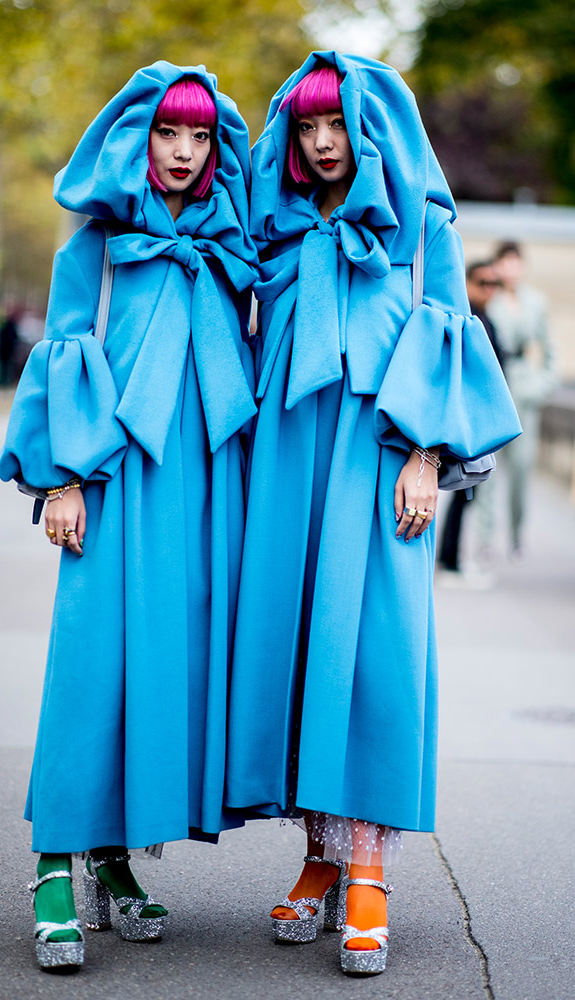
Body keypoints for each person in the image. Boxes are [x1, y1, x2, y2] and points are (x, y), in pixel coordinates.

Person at [225, 52, 520, 977]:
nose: (319, 145)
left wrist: (426, 457)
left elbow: (438, 336)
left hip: (379, 453)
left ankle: (368, 872)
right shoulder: (274, 220)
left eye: (336, 128)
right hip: (285, 453)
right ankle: (318, 854)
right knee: (301, 647)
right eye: (305, 128)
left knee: (375, 650)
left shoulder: (421, 222)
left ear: (369, 130)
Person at [0, 62, 257, 972]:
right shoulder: (98, 240)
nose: (184, 153)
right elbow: (65, 351)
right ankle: (52, 867)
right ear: (135, 140)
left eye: (200, 138)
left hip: (202, 482)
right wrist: (59, 479)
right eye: (167, 134)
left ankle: (112, 856)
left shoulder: (233, 247)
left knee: (163, 667)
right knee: (89, 661)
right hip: (111, 480)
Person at [484, 241, 557, 557]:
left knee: (522, 468)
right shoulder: (490, 297)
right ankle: (484, 539)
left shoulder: (536, 302)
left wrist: (542, 385)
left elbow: (550, 351)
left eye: (516, 262)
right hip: (495, 386)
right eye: (505, 262)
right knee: (486, 467)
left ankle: (516, 536)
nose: (510, 268)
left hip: (524, 390)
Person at [437, 260, 505, 579]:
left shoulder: (487, 319)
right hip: (468, 421)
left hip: (480, 421)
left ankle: (451, 557)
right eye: (483, 282)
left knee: (468, 489)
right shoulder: (467, 318)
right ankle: (449, 559)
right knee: (464, 487)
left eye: (495, 285)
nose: (489, 290)